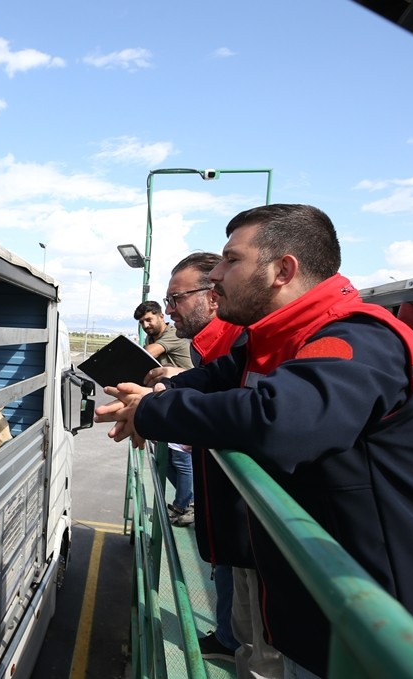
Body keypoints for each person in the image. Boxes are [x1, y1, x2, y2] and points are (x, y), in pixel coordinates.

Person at [96, 204, 413, 679]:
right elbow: (216, 376)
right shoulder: (273, 341)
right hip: (325, 608)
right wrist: (159, 393)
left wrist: (151, 410)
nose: (217, 278)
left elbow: (282, 421)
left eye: (231, 261)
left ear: (282, 270)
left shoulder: (357, 336)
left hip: (395, 625)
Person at [149, 252, 256, 671]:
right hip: (231, 502)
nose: (169, 309)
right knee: (231, 569)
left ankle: (235, 641)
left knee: (246, 583)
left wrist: (157, 408)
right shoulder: (216, 348)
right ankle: (230, 638)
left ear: (212, 298)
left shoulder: (238, 342)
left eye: (176, 298)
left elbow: (249, 409)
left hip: (250, 510)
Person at [132, 300, 194, 525]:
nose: (146, 325)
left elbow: (146, 355)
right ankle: (188, 500)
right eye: (142, 322)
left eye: (149, 319)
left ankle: (183, 505)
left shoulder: (172, 334)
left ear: (161, 317)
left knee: (180, 458)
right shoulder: (152, 337)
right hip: (169, 400)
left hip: (185, 398)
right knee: (165, 459)